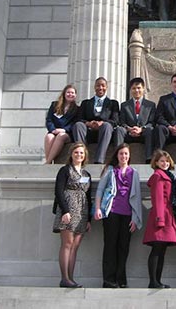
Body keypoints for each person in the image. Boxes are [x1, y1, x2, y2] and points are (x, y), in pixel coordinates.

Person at [94, 143, 142, 288]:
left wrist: (135, 218)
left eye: (126, 154)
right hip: (111, 213)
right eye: (121, 153)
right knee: (110, 246)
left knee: (123, 247)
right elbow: (100, 190)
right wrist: (97, 208)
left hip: (127, 215)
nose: (123, 156)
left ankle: (121, 279)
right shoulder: (110, 171)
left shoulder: (134, 173)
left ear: (129, 156)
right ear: (117, 155)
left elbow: (137, 197)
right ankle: (108, 280)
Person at [52, 143, 92, 288]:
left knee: (75, 246)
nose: (79, 155)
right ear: (71, 154)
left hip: (82, 212)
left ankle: (71, 278)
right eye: (76, 152)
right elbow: (58, 191)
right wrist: (65, 211)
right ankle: (65, 278)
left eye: (81, 153)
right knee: (67, 244)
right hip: (68, 210)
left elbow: (88, 196)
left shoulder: (86, 174)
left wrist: (89, 219)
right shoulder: (64, 170)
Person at [143, 149, 176, 288]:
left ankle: (157, 280)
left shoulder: (167, 175)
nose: (165, 163)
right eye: (162, 161)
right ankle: (153, 281)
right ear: (156, 162)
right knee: (157, 249)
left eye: (166, 161)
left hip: (166, 214)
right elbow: (158, 199)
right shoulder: (158, 176)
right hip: (161, 215)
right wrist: (160, 219)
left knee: (162, 250)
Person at [72, 77, 120, 164]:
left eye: (103, 86)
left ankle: (99, 160)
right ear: (94, 87)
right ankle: (81, 156)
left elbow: (115, 121)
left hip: (105, 133)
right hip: (88, 132)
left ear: (106, 87)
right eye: (98, 85)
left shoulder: (113, 103)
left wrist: (102, 123)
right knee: (78, 125)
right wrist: (88, 123)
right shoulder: (86, 103)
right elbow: (79, 118)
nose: (100, 88)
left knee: (107, 125)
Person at [116, 77, 156, 163]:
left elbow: (152, 122)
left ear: (143, 89)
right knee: (119, 130)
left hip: (144, 133)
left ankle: (149, 158)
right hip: (129, 133)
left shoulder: (150, 105)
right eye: (134, 88)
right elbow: (122, 121)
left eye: (139, 88)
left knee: (150, 130)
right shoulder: (124, 105)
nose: (136, 90)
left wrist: (141, 129)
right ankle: (118, 157)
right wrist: (129, 129)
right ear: (130, 90)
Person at [44, 84, 79, 164]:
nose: (70, 94)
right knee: (49, 136)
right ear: (64, 93)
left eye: (72, 93)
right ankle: (48, 160)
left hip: (67, 133)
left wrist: (63, 130)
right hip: (54, 131)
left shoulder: (77, 109)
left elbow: (75, 123)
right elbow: (49, 119)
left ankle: (48, 162)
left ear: (75, 95)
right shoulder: (54, 105)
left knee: (60, 136)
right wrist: (52, 130)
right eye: (68, 92)